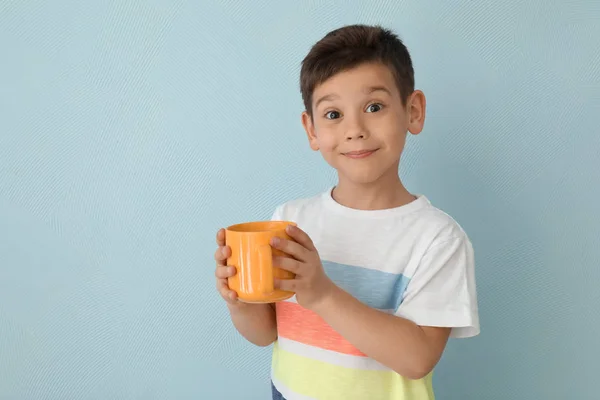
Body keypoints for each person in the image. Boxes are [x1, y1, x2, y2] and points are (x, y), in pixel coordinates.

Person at [214, 24, 480, 400]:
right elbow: (266, 334)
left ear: (413, 111)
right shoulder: (290, 220)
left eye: (374, 107)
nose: (355, 129)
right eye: (334, 114)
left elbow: (418, 358)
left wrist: (322, 294)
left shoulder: (437, 238)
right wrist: (239, 303)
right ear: (311, 130)